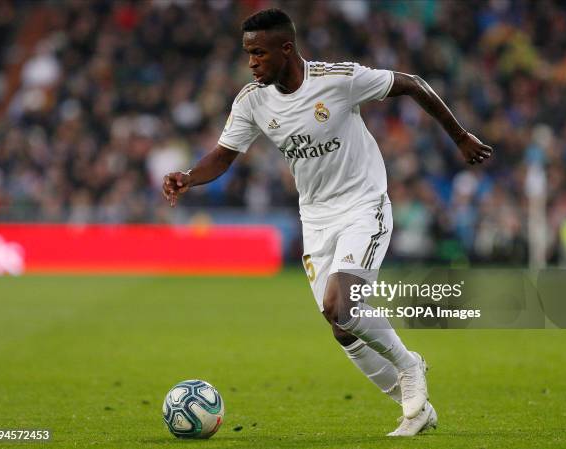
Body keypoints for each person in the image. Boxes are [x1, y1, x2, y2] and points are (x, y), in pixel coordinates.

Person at [162, 8, 493, 437]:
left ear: (287, 49)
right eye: (248, 54)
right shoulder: (252, 101)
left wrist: (460, 136)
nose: (251, 62)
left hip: (363, 204)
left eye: (259, 53)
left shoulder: (337, 79)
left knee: (343, 305)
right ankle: (415, 408)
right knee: (341, 328)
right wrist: (188, 177)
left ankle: (410, 367)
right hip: (316, 217)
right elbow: (224, 156)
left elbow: (412, 84)